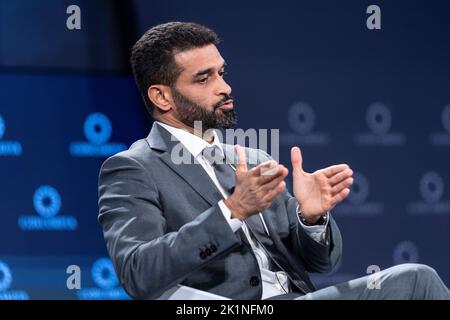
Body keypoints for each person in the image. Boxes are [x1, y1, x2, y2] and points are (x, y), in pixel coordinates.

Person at [97, 21, 449, 300]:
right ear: (162, 96)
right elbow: (138, 273)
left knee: (414, 283)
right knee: (414, 281)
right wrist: (231, 212)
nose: (224, 87)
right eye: (204, 78)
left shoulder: (253, 158)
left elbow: (322, 264)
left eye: (221, 72)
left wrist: (310, 218)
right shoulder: (133, 167)